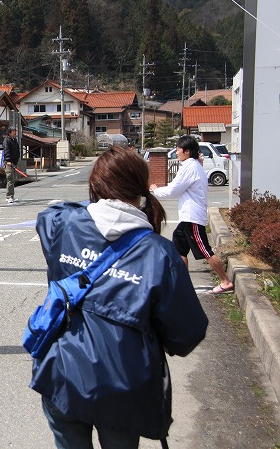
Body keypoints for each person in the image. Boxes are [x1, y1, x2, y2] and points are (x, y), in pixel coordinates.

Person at [31, 146, 208, 448]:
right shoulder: (159, 253)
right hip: (125, 385)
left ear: (96, 186)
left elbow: (49, 214)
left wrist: (95, 204)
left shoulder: (65, 226)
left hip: (63, 375)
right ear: (140, 190)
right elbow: (187, 332)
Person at [149, 135, 234, 294]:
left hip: (192, 217)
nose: (177, 152)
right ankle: (183, 283)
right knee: (179, 247)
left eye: (179, 149)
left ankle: (225, 281)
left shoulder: (189, 167)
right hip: (187, 217)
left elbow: (173, 190)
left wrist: (155, 190)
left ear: (187, 151)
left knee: (204, 249)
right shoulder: (194, 165)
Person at [2, 126, 19, 203]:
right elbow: (7, 151)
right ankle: (9, 196)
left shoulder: (14, 140)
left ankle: (12, 195)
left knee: (13, 180)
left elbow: (17, 151)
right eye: (13, 131)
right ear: (9, 132)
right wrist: (8, 160)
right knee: (10, 179)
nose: (15, 132)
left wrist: (16, 162)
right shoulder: (7, 140)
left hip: (14, 162)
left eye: (15, 131)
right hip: (9, 162)